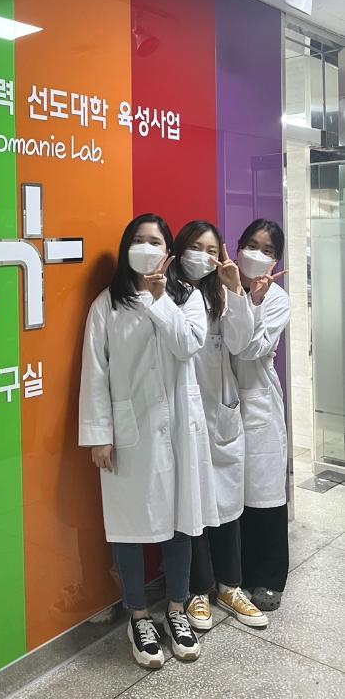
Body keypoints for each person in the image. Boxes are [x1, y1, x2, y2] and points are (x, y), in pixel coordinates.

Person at [79, 213, 218, 669]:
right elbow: (95, 373)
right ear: (126, 249)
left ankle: (176, 609)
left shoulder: (187, 297)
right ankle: (138, 617)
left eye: (155, 241)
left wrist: (160, 300)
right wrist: (99, 435)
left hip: (179, 430)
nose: (146, 247)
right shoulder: (106, 305)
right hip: (129, 434)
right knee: (129, 526)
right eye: (138, 240)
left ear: (168, 253)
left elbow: (188, 346)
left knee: (180, 520)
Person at [171, 221, 268, 632]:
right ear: (180, 249)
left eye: (212, 250)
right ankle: (198, 590)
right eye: (196, 247)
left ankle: (230, 586)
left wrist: (237, 290)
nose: (204, 257)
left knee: (226, 503)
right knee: (192, 504)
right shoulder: (165, 294)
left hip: (218, 410)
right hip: (179, 412)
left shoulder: (220, 293)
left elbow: (240, 343)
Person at [231, 219, 290, 612]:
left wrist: (252, 301)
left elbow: (250, 349)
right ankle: (232, 576)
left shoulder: (278, 299)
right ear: (237, 247)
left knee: (263, 494)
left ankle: (268, 577)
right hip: (218, 402)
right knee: (228, 495)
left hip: (258, 401)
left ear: (275, 261)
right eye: (251, 245)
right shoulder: (218, 288)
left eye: (267, 250)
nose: (257, 254)